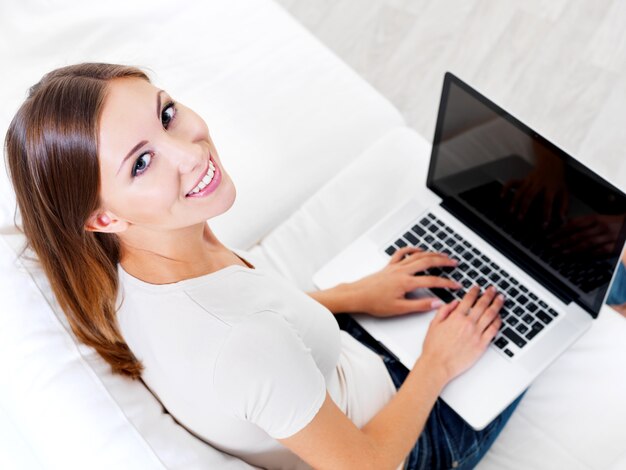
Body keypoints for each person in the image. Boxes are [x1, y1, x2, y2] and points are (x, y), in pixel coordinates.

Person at [5, 63, 522, 470]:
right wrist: (437, 364)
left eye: (166, 115)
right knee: (539, 262)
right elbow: (367, 464)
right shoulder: (240, 343)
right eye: (141, 163)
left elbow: (257, 336)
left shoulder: (135, 261)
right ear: (104, 216)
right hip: (403, 441)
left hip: (338, 376)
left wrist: (350, 295)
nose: (188, 152)